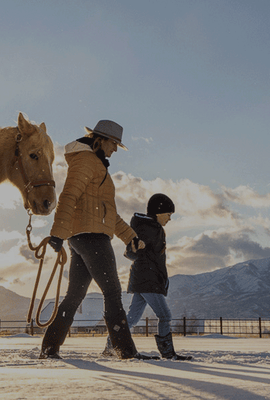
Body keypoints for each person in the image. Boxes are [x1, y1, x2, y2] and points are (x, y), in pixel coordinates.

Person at [40, 119, 155, 360]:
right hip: (91, 238)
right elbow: (68, 194)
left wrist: (130, 237)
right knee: (112, 292)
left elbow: (107, 213)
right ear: (99, 139)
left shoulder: (96, 164)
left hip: (83, 237)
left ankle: (50, 348)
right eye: (114, 144)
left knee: (74, 296)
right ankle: (125, 351)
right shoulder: (86, 161)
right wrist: (58, 233)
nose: (114, 150)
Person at [105, 193, 193, 360]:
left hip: (144, 279)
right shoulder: (147, 228)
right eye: (169, 215)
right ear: (159, 212)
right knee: (165, 316)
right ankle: (167, 353)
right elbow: (132, 250)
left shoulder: (153, 228)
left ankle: (111, 346)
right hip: (147, 280)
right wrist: (135, 248)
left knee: (132, 317)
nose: (169, 219)